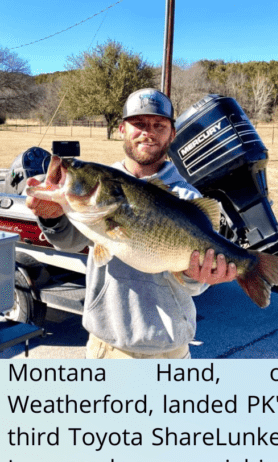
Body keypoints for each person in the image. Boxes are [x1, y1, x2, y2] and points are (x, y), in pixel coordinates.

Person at [25, 88, 237, 359]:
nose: (148, 132)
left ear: (172, 134)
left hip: (169, 350)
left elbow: (196, 285)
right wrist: (51, 216)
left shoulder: (186, 198)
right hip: (106, 347)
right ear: (122, 129)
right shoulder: (101, 188)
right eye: (138, 124)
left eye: (158, 125)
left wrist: (198, 275)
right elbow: (69, 242)